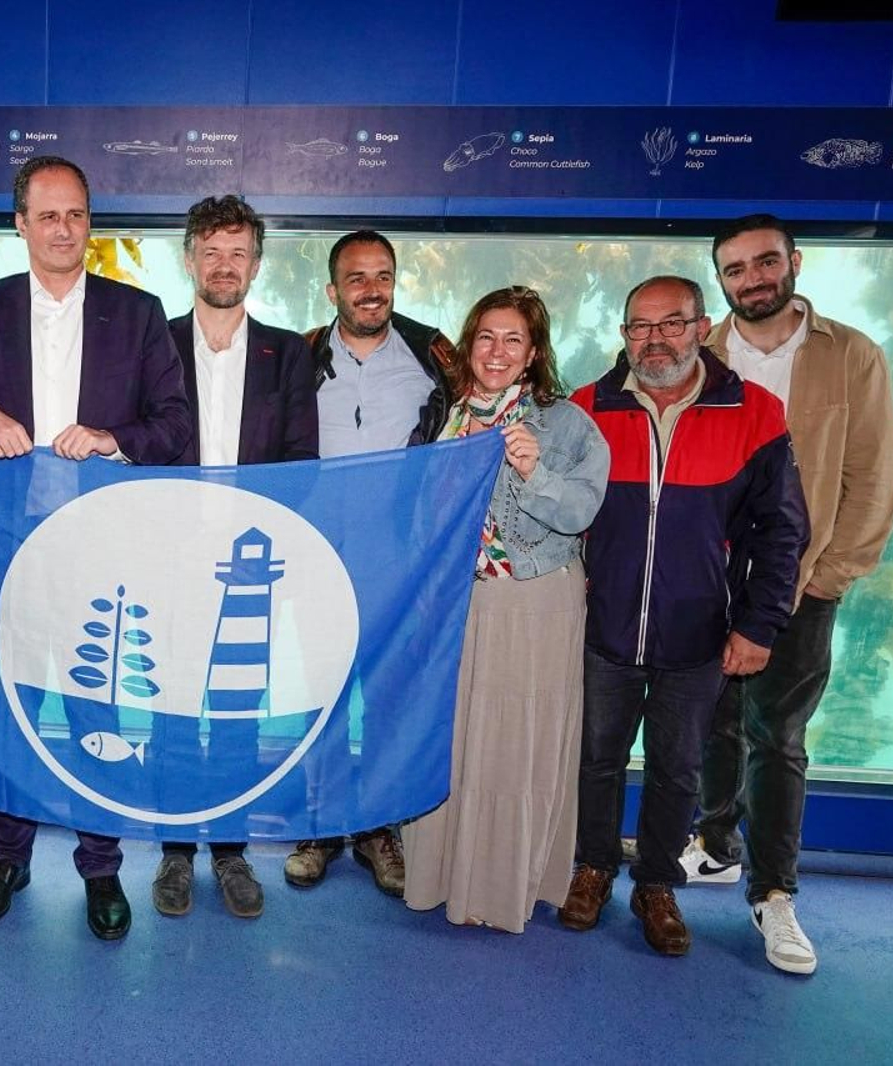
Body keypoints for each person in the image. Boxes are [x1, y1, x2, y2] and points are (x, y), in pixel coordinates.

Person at [0, 155, 191, 941]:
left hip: (97, 550)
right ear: (20, 225)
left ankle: (100, 868)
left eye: (76, 214)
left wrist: (113, 438)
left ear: (89, 223)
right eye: (47, 215)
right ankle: (7, 860)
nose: (63, 229)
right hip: (2, 551)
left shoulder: (138, 313)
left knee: (94, 708)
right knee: (12, 709)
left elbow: (175, 426)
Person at [562, 275, 808, 957]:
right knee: (596, 760)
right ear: (624, 336)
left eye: (671, 323)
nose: (656, 339)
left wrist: (758, 626)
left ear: (701, 328)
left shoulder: (755, 412)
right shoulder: (587, 408)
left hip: (699, 636)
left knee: (677, 769)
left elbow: (783, 532)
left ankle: (656, 884)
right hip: (604, 631)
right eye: (640, 326)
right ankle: (592, 867)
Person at [683, 215, 893, 975]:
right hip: (709, 581)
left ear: (795, 263)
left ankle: (774, 893)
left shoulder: (852, 355)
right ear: (721, 280)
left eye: (766, 261)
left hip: (802, 587)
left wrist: (826, 578)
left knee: (778, 738)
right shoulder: (700, 353)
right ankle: (716, 845)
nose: (753, 279)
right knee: (713, 723)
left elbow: (873, 479)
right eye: (736, 268)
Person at [400, 286, 609, 933]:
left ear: (534, 352)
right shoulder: (443, 416)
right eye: (486, 336)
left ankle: (502, 888)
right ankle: (441, 878)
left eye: (513, 339)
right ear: (469, 345)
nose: (497, 351)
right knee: (453, 740)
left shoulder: (567, 424)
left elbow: (582, 511)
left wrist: (535, 472)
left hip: (533, 602)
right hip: (456, 603)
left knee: (515, 744)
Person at [150, 195, 317, 921]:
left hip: (251, 568)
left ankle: (230, 850)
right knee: (172, 716)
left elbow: (302, 462)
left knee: (237, 715)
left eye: (238, 253)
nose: (225, 266)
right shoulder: (153, 342)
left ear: (256, 265)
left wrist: (259, 539)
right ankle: (174, 852)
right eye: (212, 252)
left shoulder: (290, 353)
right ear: (190, 259)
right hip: (170, 565)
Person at [284, 229, 456, 897]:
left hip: (399, 558)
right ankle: (321, 825)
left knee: (389, 695)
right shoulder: (298, 356)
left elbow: (477, 423)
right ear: (332, 290)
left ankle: (380, 829)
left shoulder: (434, 356)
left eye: (383, 275)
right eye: (356, 277)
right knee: (320, 694)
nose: (371, 289)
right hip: (317, 555)